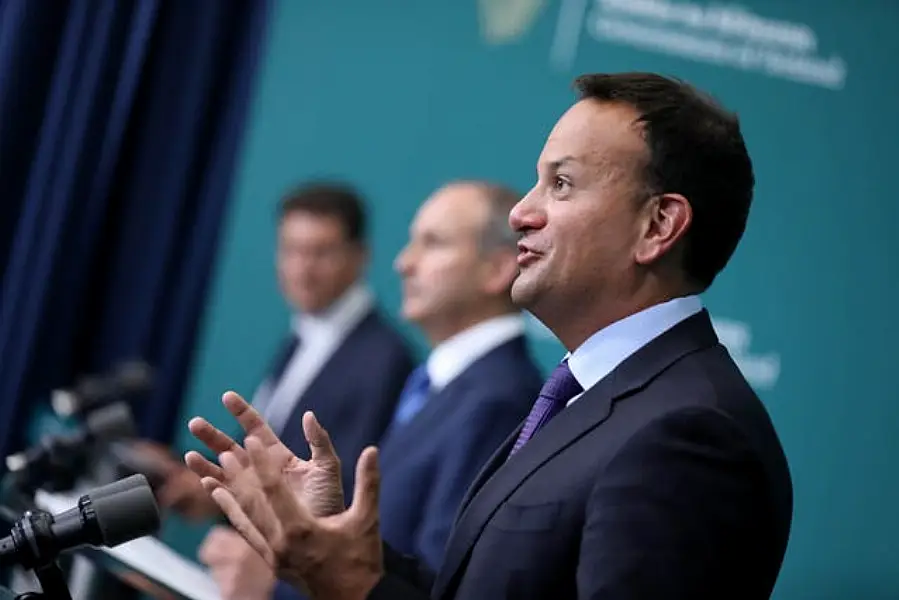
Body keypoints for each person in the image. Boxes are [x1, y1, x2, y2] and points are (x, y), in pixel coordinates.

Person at [184, 72, 794, 600]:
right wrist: (340, 551)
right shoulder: (585, 397)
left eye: (561, 184)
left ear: (658, 225)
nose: (520, 213)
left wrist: (354, 587)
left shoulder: (690, 435)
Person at [144, 182, 415, 599]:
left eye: (320, 253)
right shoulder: (301, 336)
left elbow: (336, 493)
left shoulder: (385, 360)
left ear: (360, 257)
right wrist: (205, 488)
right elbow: (269, 451)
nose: (302, 269)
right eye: (291, 250)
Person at [376, 181, 542, 570]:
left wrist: (279, 584)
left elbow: (440, 574)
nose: (404, 262)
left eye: (432, 243)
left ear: (499, 269)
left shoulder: (499, 400)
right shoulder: (436, 382)